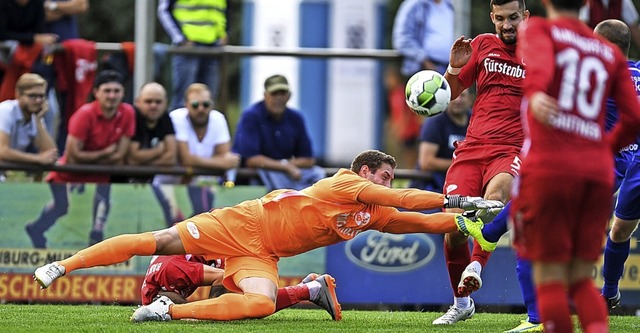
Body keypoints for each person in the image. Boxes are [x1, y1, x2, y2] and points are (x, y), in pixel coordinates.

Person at [34, 149, 503, 322]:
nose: (386, 185)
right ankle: (63, 265)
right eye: (383, 176)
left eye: (386, 178)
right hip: (243, 222)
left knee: (259, 303)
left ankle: (168, 312)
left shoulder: (371, 213)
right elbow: (407, 200)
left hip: (265, 251)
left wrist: (472, 219)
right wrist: (457, 199)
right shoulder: (344, 183)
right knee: (155, 241)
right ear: (365, 171)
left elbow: (420, 222)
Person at [513, 1, 640, 331]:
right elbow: (634, 119)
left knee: (551, 277)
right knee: (582, 279)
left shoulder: (541, 29)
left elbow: (538, 72)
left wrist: (538, 92)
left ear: (546, 2)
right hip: (597, 171)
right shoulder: (607, 52)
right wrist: (603, 149)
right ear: (584, 4)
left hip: (553, 166)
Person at [433, 0, 529, 326]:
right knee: (453, 228)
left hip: (511, 150)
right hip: (472, 149)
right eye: (500, 18)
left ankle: (476, 265)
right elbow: (450, 93)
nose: (507, 25)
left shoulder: (542, 54)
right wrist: (454, 69)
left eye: (513, 17)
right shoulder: (483, 45)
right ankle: (461, 304)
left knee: (495, 200)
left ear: (525, 16)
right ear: (492, 18)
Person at [24, 70, 135, 248]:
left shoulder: (128, 112)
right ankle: (36, 228)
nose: (112, 95)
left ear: (123, 92)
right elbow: (74, 155)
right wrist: (105, 154)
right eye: (107, 90)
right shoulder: (85, 114)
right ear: (96, 92)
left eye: (116, 91)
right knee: (61, 207)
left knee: (103, 199)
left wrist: (95, 159)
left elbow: (121, 154)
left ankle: (96, 237)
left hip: (101, 171)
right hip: (70, 171)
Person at [592, 19, 640, 309]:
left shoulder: (603, 78)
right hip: (630, 163)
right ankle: (609, 293)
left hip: (627, 160)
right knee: (620, 229)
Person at [141, 255, 342, 320]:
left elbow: (223, 278)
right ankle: (310, 289)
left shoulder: (174, 272)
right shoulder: (153, 295)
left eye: (164, 308)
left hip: (230, 243)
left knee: (241, 305)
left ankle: (311, 289)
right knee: (227, 308)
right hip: (217, 237)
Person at [232, 74, 325, 192]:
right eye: (274, 94)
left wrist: (284, 164)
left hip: (277, 178)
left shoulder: (296, 117)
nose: (278, 98)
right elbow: (251, 160)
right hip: (247, 183)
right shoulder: (251, 116)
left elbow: (308, 159)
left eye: (282, 93)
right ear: (265, 95)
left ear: (289, 96)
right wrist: (285, 167)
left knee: (317, 174)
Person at [168, 83, 240, 216]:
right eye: (195, 105)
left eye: (206, 105)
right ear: (186, 104)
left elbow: (226, 156)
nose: (201, 109)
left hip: (202, 183)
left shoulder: (218, 118)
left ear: (211, 105)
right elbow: (186, 159)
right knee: (174, 221)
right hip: (171, 183)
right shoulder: (176, 117)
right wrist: (220, 162)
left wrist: (195, 161)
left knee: (201, 220)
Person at [126, 82, 183, 227]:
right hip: (125, 181)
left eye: (158, 102)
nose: (153, 105)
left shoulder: (165, 118)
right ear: (138, 102)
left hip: (151, 180)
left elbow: (170, 157)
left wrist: (143, 159)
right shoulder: (133, 117)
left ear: (165, 103)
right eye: (148, 101)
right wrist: (158, 151)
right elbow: (132, 158)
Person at [157, 0, 227, 110]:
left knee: (208, 102)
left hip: (213, 46)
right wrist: (180, 39)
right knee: (183, 101)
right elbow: (163, 10)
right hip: (188, 47)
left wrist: (224, 33)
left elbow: (224, 8)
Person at [409, 89, 471, 196]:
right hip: (431, 187)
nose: (458, 100)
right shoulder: (435, 121)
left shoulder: (475, 120)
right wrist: (464, 164)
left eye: (463, 96)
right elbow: (426, 162)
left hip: (464, 184)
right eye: (455, 96)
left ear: (470, 99)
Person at [0, 73, 58, 166]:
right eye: (32, 96)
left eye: (41, 96)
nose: (38, 101)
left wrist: (39, 121)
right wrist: (38, 158)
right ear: (18, 95)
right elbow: (2, 152)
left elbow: (51, 154)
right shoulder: (5, 111)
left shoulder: (35, 116)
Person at [392, 0, 455, 76]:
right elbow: (402, 39)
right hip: (424, 70)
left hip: (450, 68)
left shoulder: (449, 5)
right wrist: (424, 60)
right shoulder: (414, 5)